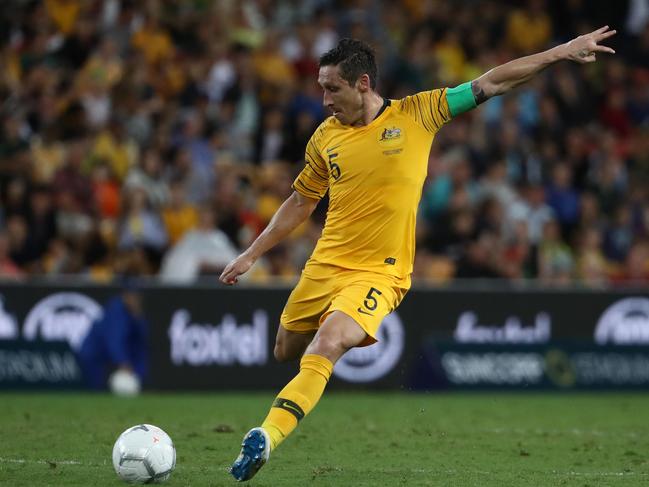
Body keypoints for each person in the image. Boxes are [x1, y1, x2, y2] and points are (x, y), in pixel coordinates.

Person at [219, 28, 617, 481]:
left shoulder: (418, 114)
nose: (325, 101)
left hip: (380, 273)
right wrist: (252, 253)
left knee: (328, 343)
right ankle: (300, 380)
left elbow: (495, 81)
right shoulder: (324, 138)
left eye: (332, 89)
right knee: (283, 350)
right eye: (321, 89)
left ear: (363, 83)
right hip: (325, 264)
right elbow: (301, 202)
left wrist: (560, 53)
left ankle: (266, 437)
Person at [77, 282, 148, 390]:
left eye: (137, 297)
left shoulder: (134, 315)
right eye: (132, 297)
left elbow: (139, 343)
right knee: (93, 390)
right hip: (92, 355)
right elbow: (115, 341)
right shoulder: (116, 311)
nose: (135, 300)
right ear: (125, 297)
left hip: (104, 357)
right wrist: (123, 361)